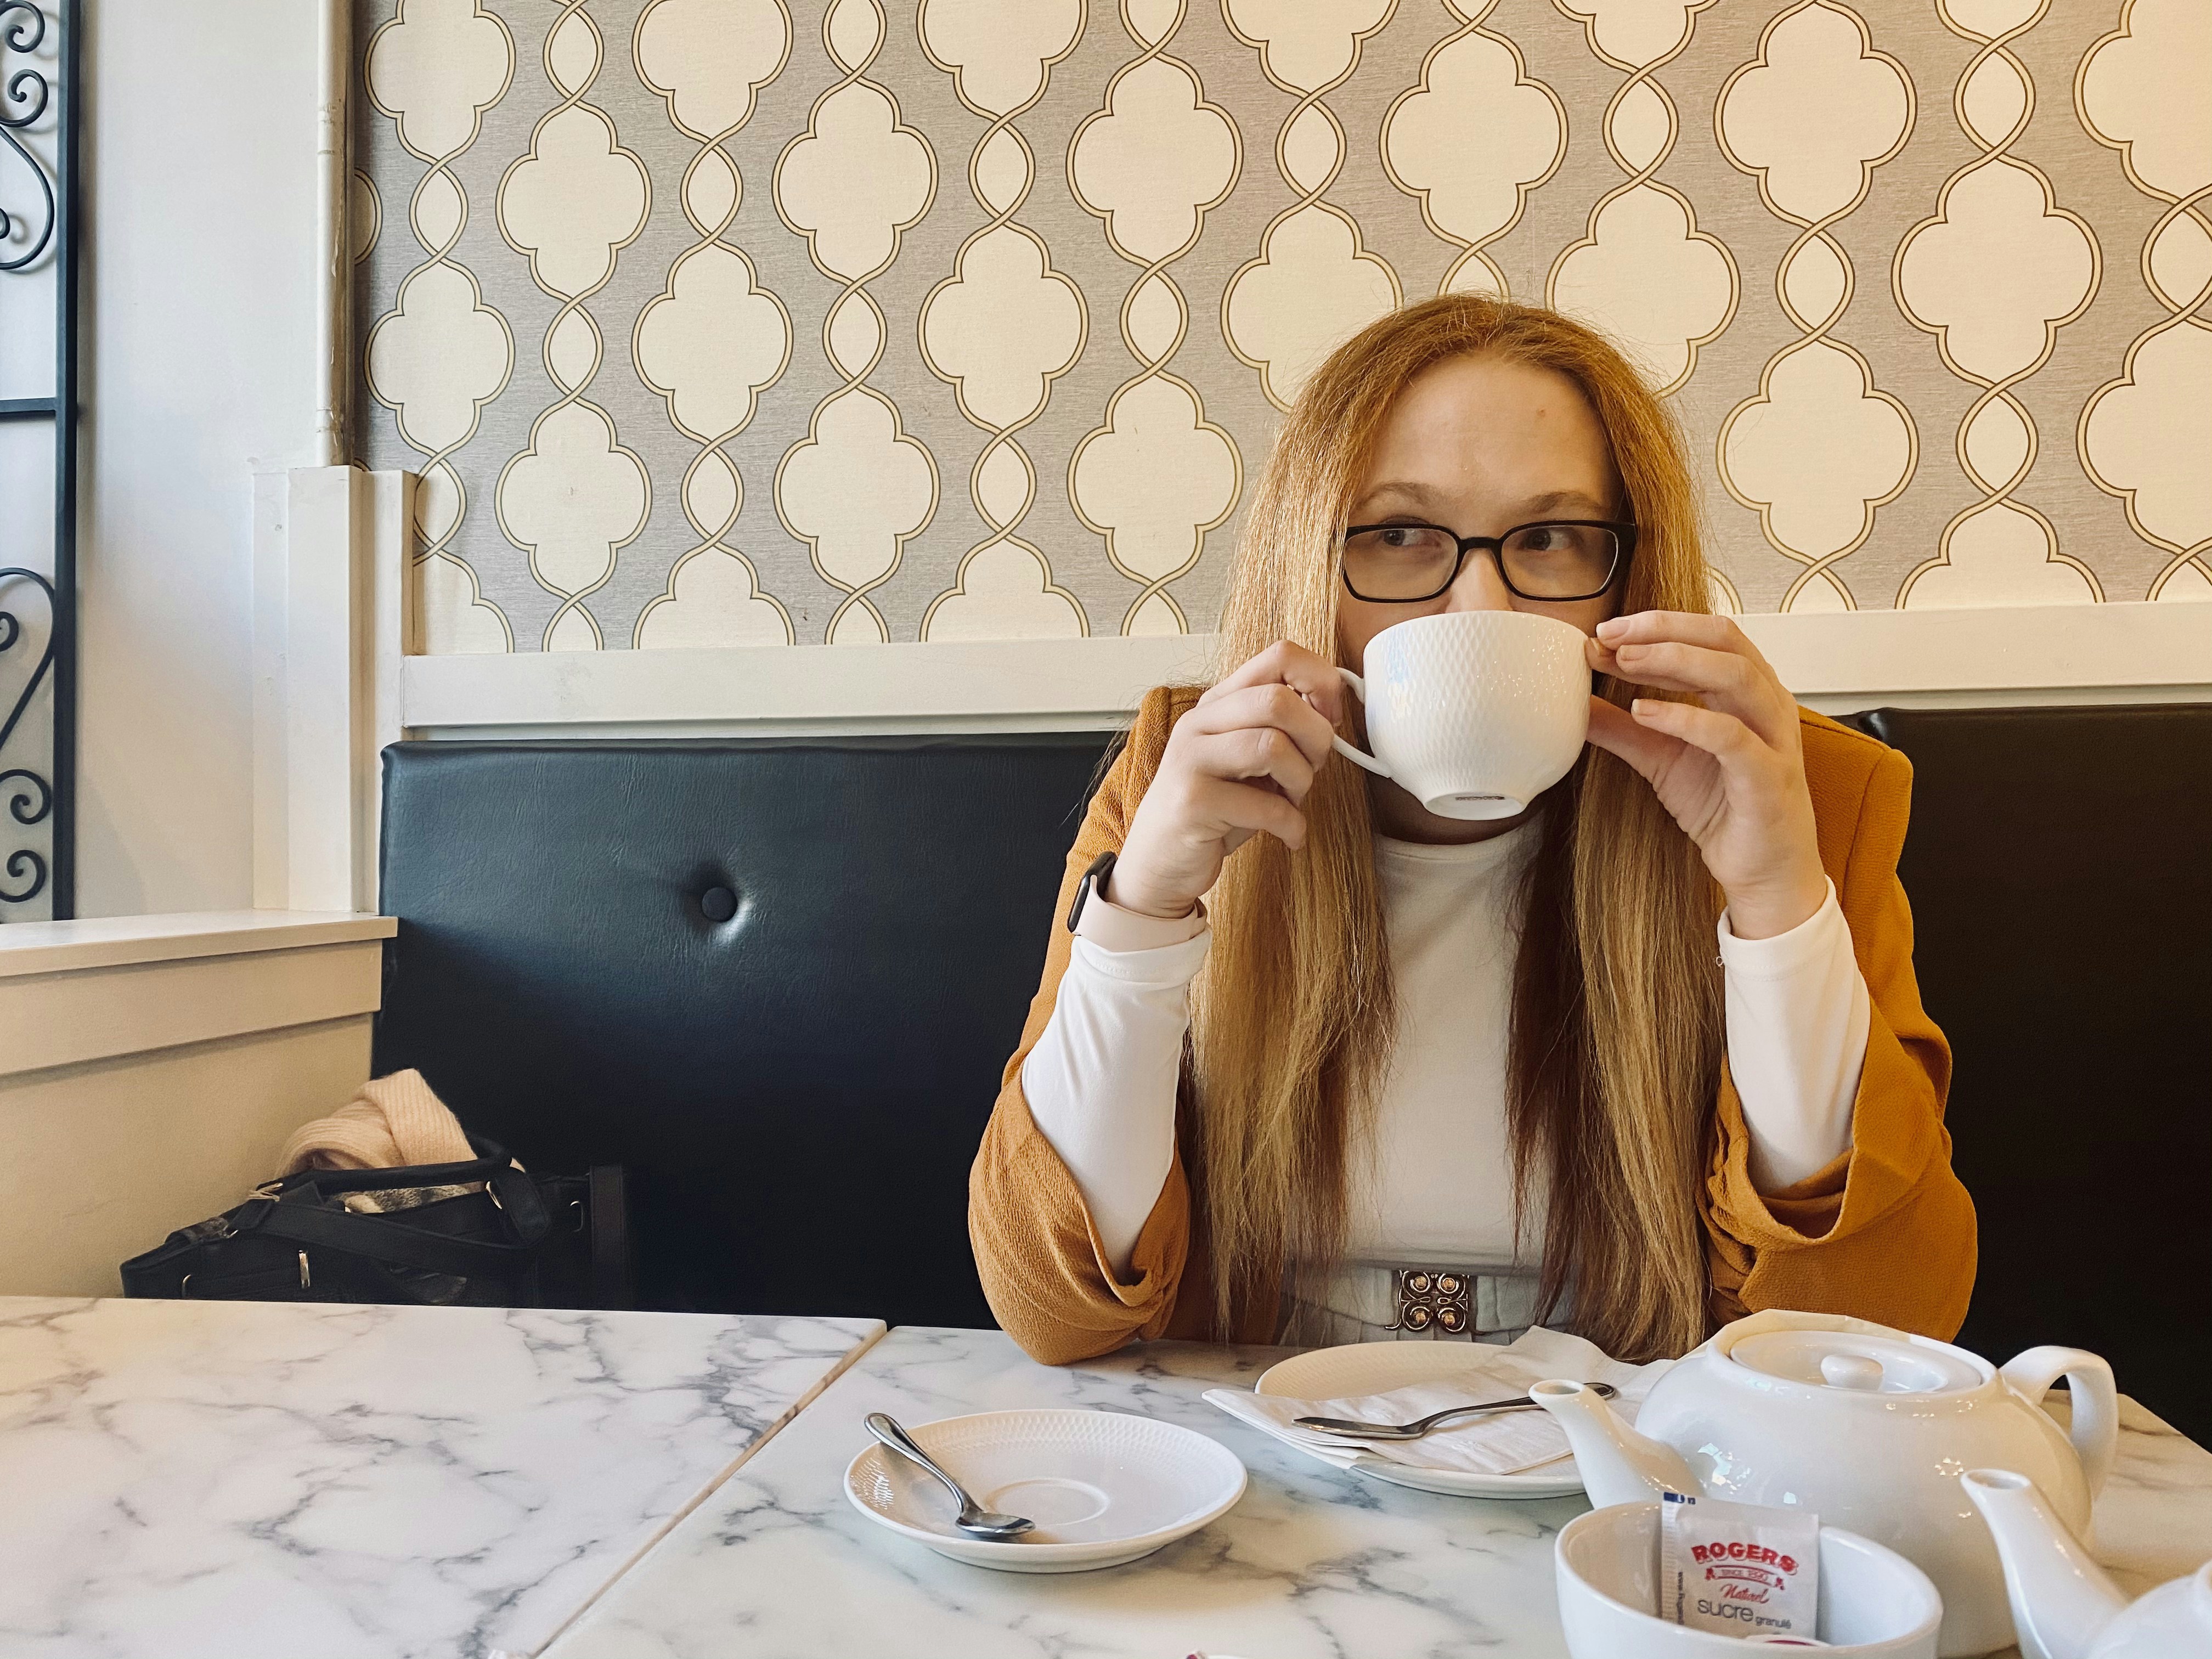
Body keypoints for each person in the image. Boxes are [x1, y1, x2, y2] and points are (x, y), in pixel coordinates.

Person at [970, 295, 1972, 1366]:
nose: (1480, 607)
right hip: (1267, 1471)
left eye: (1548, 538)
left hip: (1615, 1487)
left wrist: (1778, 911)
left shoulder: (1797, 795)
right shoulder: (1187, 778)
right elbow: (1057, 1307)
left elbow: (1876, 1333)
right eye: (1401, 535)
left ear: (1627, 580)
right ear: (1312, 562)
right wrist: (1148, 911)